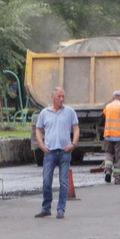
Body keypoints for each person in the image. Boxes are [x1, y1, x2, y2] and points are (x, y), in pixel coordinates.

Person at [34, 87, 79, 219]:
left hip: (65, 151)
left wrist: (73, 144)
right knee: (46, 181)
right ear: (53, 97)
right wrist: (41, 145)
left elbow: (76, 128)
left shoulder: (69, 112)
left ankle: (61, 209)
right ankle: (46, 208)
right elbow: (38, 129)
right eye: (59, 96)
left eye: (63, 96)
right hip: (49, 151)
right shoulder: (45, 113)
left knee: (63, 182)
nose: (61, 99)